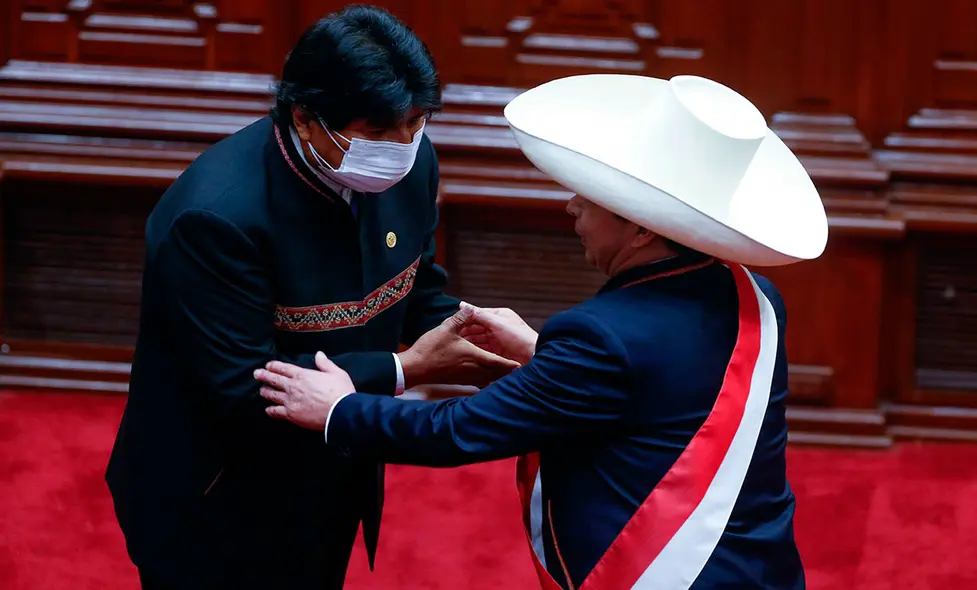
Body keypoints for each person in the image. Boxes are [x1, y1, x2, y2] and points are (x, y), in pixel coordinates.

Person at [254, 73, 830, 589]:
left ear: (641, 232)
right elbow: (668, 392)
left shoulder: (601, 337)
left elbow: (459, 431)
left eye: (595, 195)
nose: (572, 206)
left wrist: (337, 409)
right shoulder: (756, 294)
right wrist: (544, 357)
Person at [104, 6, 518, 589]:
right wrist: (405, 369)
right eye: (377, 132)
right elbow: (242, 389)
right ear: (304, 118)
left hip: (332, 465)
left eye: (417, 122)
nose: (402, 147)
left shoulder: (410, 162)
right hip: (218, 499)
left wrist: (484, 335)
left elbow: (415, 282)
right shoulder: (216, 218)